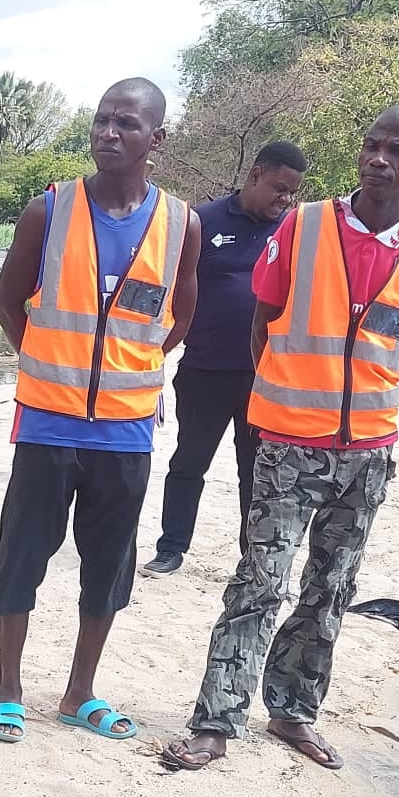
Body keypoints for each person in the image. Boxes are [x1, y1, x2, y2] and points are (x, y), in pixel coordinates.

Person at [160, 105, 399, 774]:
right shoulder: (305, 224)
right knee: (260, 581)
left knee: (331, 589)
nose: (379, 159)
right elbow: (264, 319)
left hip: (369, 449)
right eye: (371, 145)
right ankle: (215, 721)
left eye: (397, 151)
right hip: (290, 443)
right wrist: (279, 398)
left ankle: (293, 711)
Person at [0, 79, 202, 747]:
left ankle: (80, 692)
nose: (108, 132)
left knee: (108, 566)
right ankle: (9, 691)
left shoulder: (181, 225)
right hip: (47, 422)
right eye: (102, 120)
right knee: (22, 557)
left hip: (126, 432)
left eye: (126, 123)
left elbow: (178, 318)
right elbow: (8, 303)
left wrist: (125, 374)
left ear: (156, 138)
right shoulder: (47, 210)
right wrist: (49, 365)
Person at [142, 140, 307, 576]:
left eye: (292, 193)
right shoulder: (202, 221)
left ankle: (252, 558)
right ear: (255, 175)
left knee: (255, 470)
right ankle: (171, 548)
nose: (285, 199)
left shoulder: (292, 231)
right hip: (204, 369)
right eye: (279, 188)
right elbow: (169, 289)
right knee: (188, 463)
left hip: (262, 375)